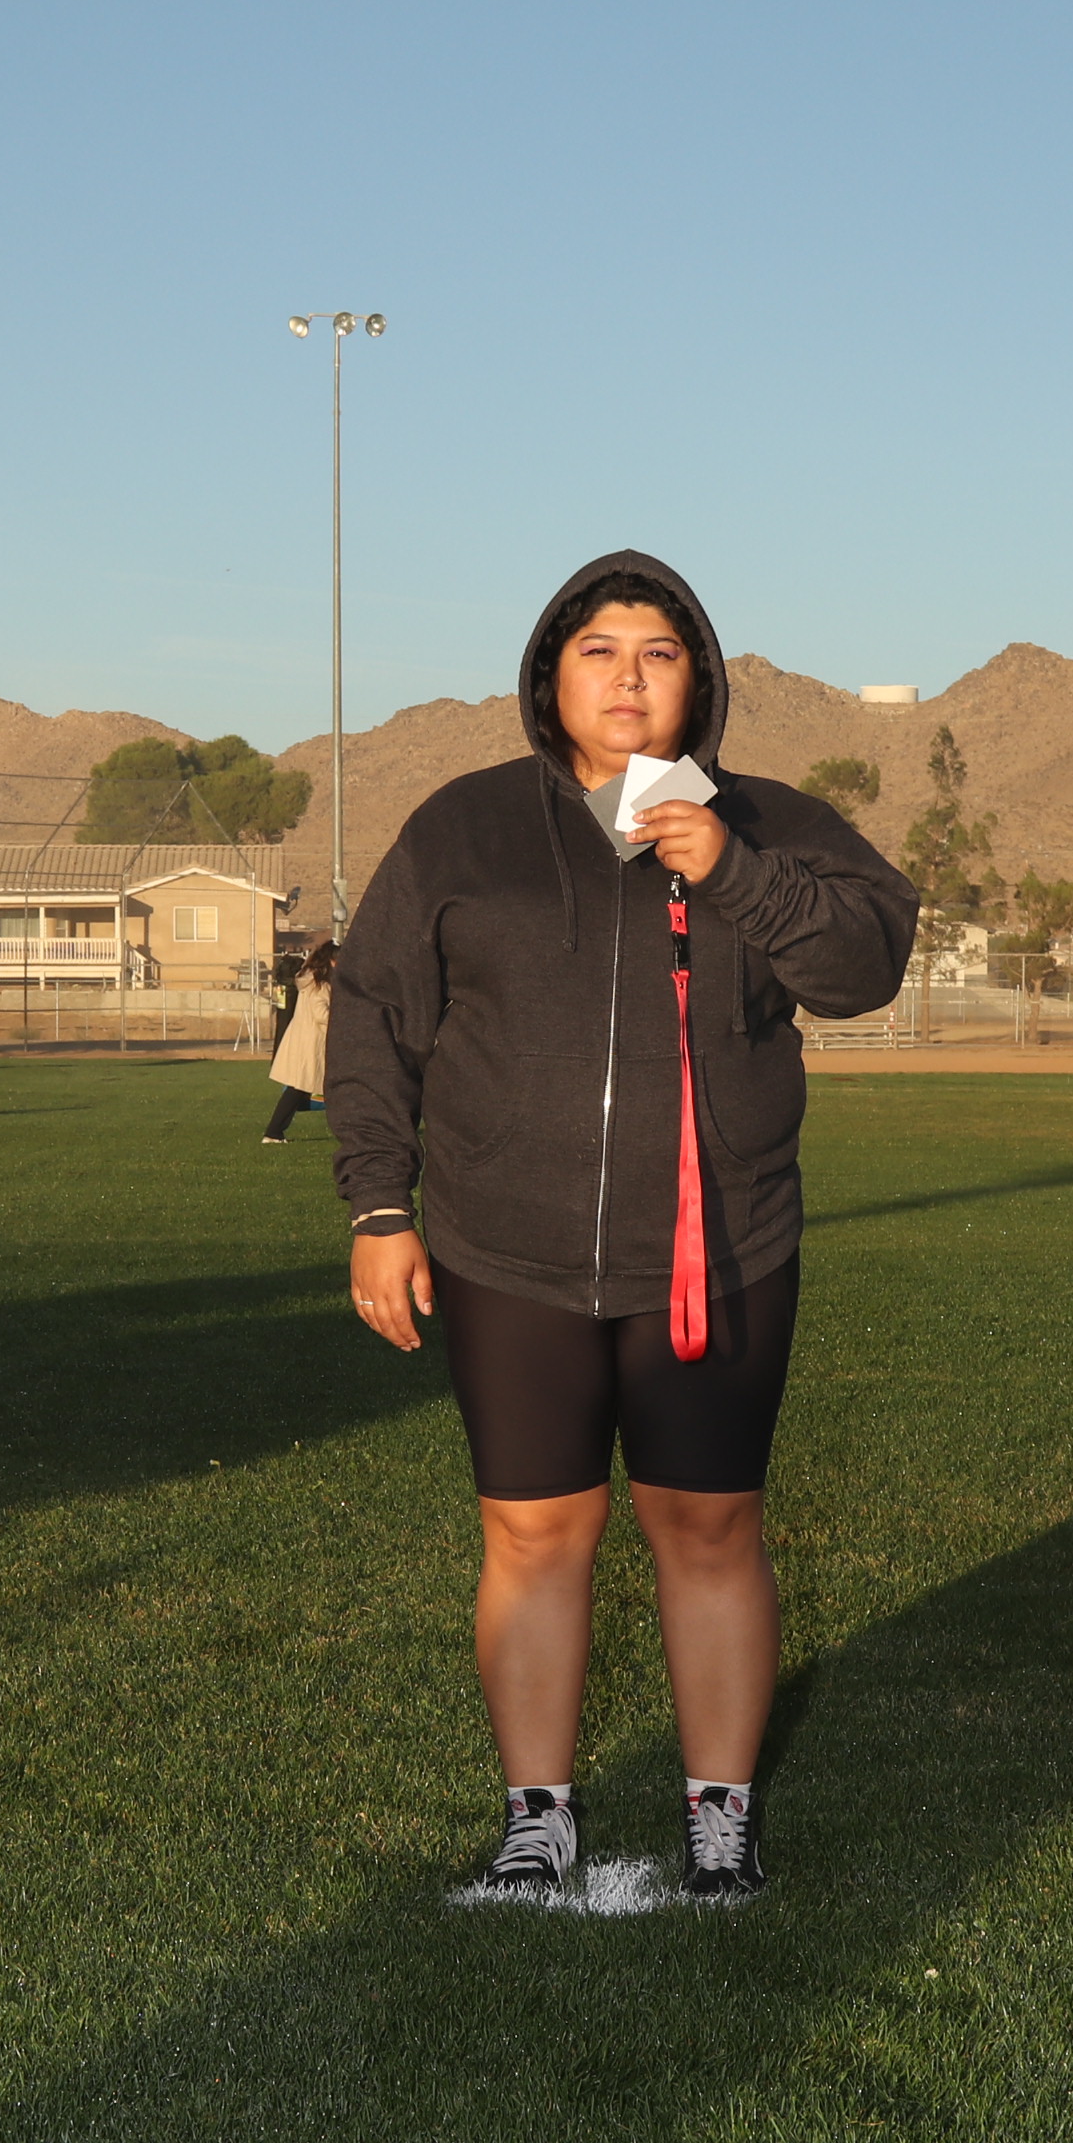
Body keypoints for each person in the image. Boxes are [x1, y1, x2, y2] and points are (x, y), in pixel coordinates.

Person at [330, 552, 917, 1902]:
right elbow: (374, 1016)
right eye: (599, 650)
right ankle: (538, 1820)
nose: (629, 677)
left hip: (720, 1251)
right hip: (507, 1251)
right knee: (534, 1534)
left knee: (707, 1527)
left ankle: (722, 1819)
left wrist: (736, 871)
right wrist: (379, 1206)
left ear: (699, 680)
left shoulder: (771, 824)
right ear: (551, 677)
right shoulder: (464, 830)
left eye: (659, 652)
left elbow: (863, 968)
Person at [260, 939, 336, 1143]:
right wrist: (342, 1020)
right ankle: (273, 1132)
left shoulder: (310, 982)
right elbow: (321, 1014)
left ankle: (274, 1132)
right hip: (311, 1044)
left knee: (300, 1089)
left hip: (304, 1042)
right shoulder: (320, 985)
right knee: (299, 1089)